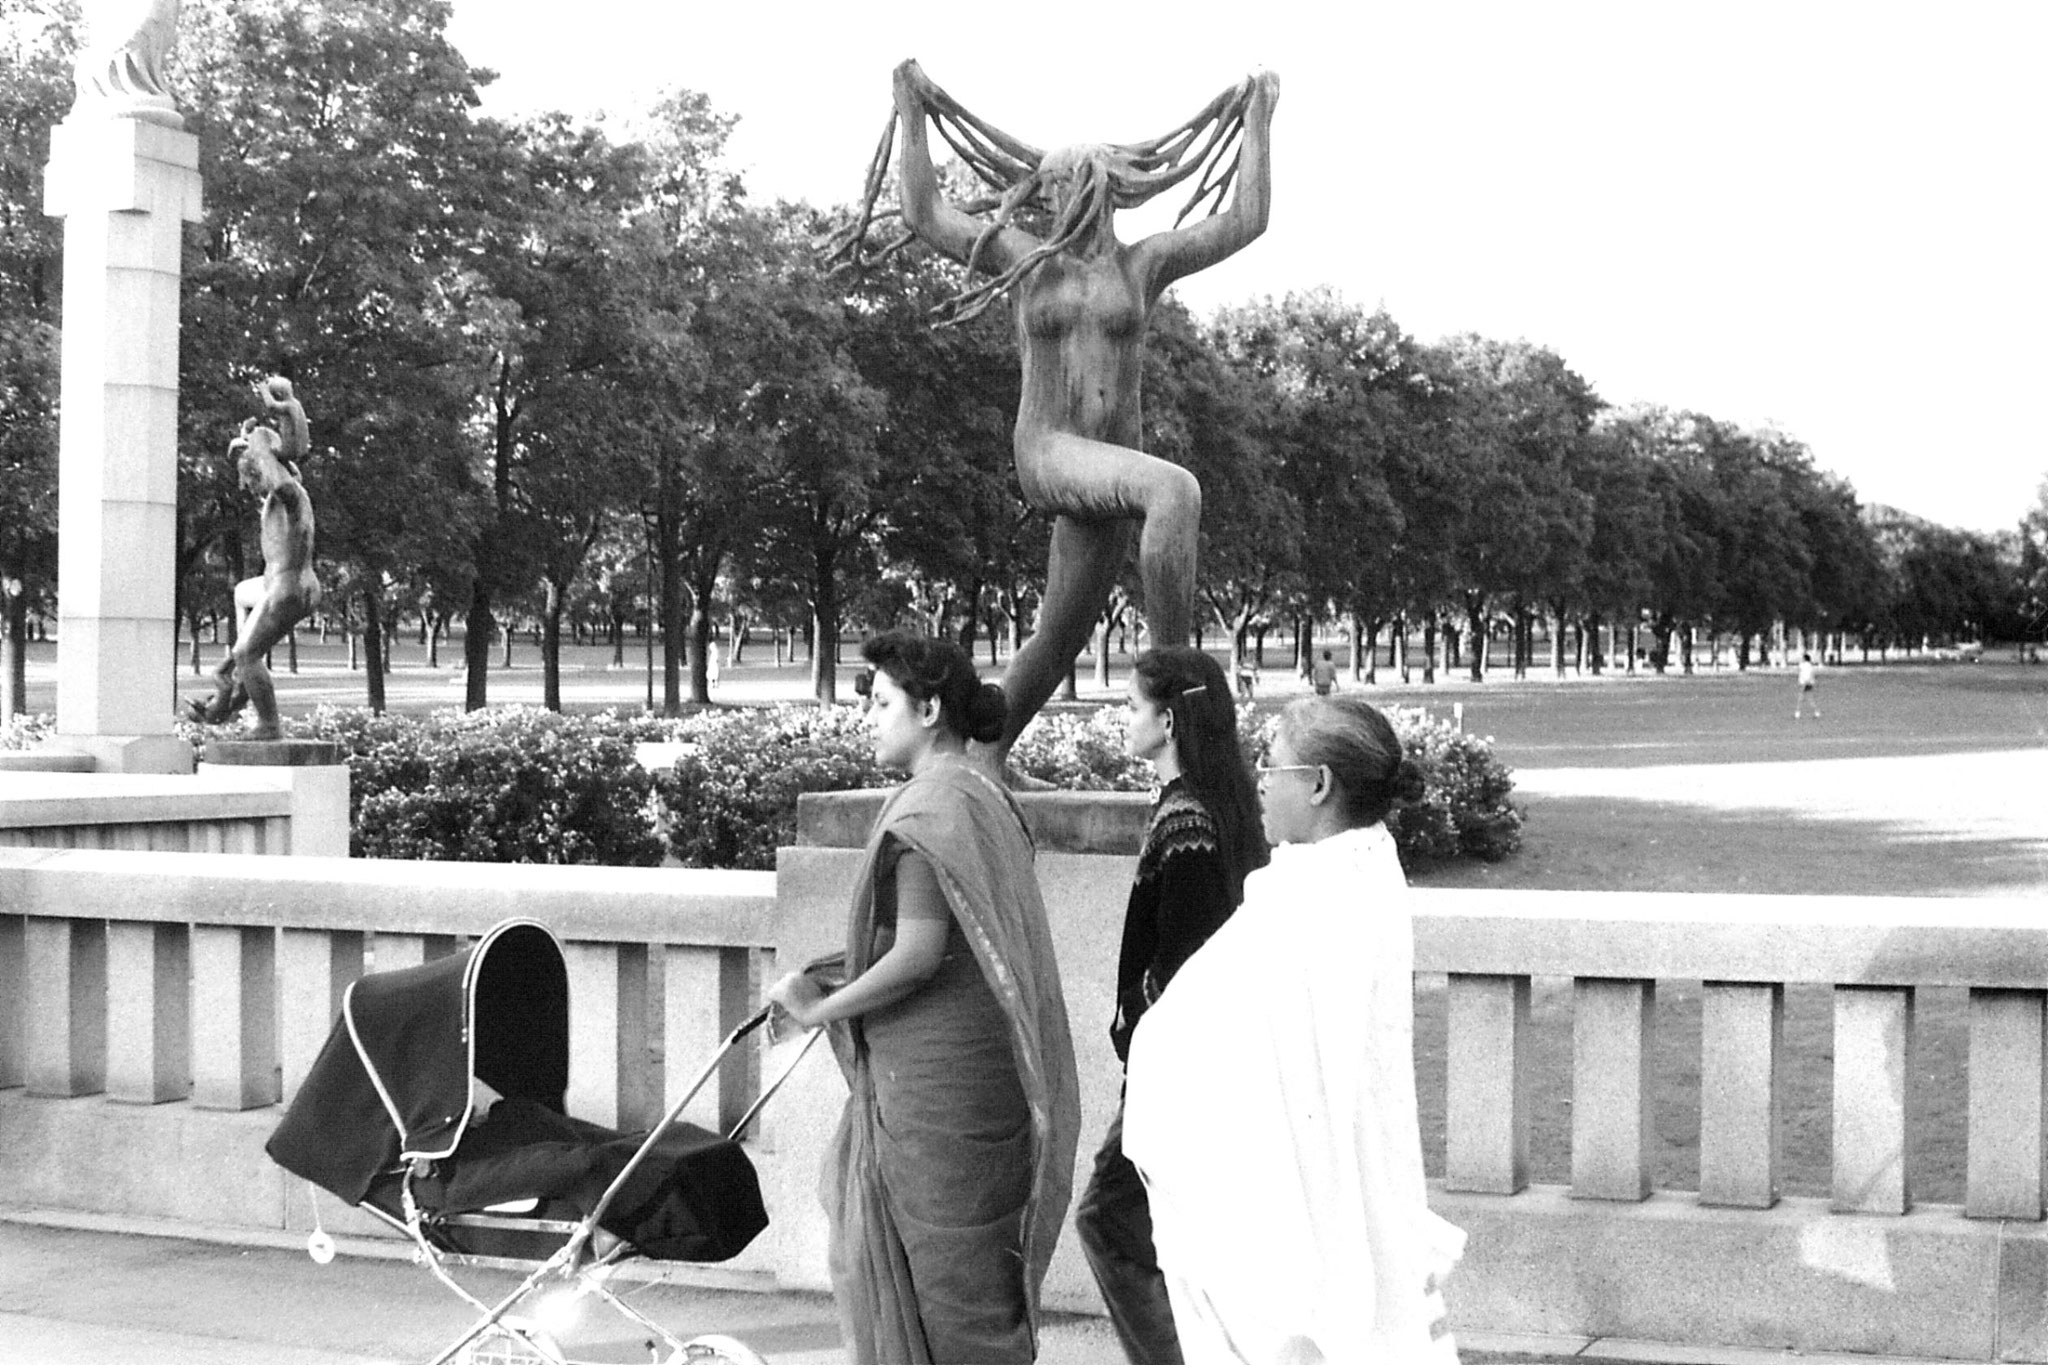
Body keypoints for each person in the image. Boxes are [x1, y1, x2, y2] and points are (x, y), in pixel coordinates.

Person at [834, 61, 1279, 753]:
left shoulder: (1142, 265)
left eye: (1077, 187)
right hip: (1047, 449)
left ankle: (984, 756)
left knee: (1059, 636)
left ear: (1105, 194)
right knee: (1175, 490)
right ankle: (1179, 697)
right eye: (1056, 187)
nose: (1063, 200)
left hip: (1107, 468)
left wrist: (1257, 120)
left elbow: (1246, 220)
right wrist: (910, 110)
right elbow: (926, 214)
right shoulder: (1027, 261)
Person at [766, 631, 1080, 1365]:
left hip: (937, 1094)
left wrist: (816, 1009)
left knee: (939, 1288)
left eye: (881, 702)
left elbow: (916, 955)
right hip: (980, 1078)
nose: (870, 718)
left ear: (931, 708)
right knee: (971, 1289)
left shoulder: (929, 811)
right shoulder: (983, 795)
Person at [1123, 694, 1465, 1364]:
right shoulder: (1366, 866)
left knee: (1309, 1326)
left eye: (1272, 766)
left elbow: (1193, 1030)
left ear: (1318, 783)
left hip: (1302, 1177)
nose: (1259, 781)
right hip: (1354, 1156)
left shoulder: (1309, 896)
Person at [1079, 647, 1268, 1365]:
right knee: (1166, 1237)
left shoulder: (1187, 818)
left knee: (1108, 1218)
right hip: (1195, 1063)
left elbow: (1187, 962)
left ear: (1168, 719)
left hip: (1178, 1069)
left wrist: (1140, 1026)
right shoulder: (1209, 806)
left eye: (1131, 706)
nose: (1122, 718)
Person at [183, 377, 319, 740]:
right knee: (243, 592)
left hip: (288, 587)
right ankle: (234, 680)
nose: (252, 489)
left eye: (253, 480)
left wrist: (260, 446)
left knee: (247, 654)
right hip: (288, 584)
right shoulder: (283, 501)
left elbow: (282, 483)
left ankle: (268, 724)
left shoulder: (289, 496)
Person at [1794, 651, 1820, 719]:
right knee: (1810, 698)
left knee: (1800, 698)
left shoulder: (1802, 665)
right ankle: (1816, 711)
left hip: (1803, 682)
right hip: (1810, 683)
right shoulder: (1811, 666)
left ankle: (1798, 712)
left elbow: (1799, 671)